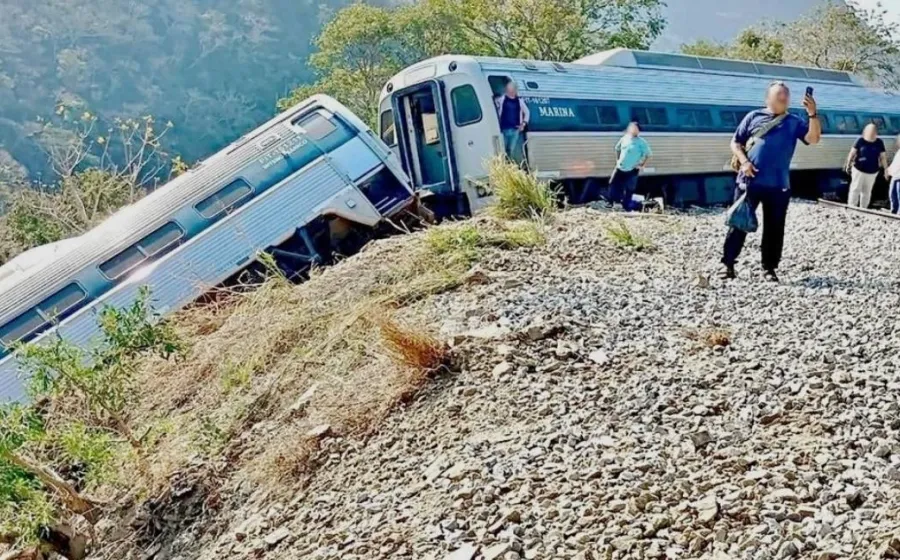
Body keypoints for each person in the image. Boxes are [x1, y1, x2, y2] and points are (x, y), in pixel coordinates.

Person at [720, 81, 821, 282]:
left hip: (778, 185)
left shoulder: (794, 121)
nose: (783, 98)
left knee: (775, 228)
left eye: (786, 95)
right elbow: (736, 142)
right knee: (738, 223)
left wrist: (812, 114)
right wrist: (744, 162)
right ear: (768, 98)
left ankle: (769, 268)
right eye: (779, 94)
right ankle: (728, 264)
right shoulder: (753, 116)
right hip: (749, 181)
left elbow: (813, 139)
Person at [609, 122, 652, 210]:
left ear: (638, 131)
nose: (633, 130)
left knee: (629, 188)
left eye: (635, 128)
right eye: (632, 128)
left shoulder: (641, 142)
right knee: (614, 183)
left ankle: (626, 205)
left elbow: (648, 154)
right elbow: (617, 149)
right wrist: (618, 160)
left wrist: (642, 165)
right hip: (620, 167)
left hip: (632, 169)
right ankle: (616, 202)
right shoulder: (624, 138)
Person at [844, 123, 887, 208]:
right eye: (870, 131)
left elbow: (883, 157)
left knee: (867, 191)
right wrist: (848, 164)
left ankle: (863, 208)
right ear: (865, 131)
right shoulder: (860, 140)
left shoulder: (879, 142)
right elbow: (852, 153)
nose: (872, 133)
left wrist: (886, 169)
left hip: (872, 171)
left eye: (874, 131)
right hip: (858, 169)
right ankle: (852, 206)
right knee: (855, 188)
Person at [494, 81, 530, 167]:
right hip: (504, 129)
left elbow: (527, 112)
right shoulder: (502, 99)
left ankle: (509, 167)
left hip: (515, 130)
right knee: (503, 150)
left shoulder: (520, 101)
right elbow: (495, 105)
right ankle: (505, 167)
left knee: (510, 150)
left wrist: (523, 124)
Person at [888, 135, 900, 214]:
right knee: (892, 194)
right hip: (895, 176)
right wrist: (889, 170)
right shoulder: (899, 152)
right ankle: (893, 210)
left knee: (899, 195)